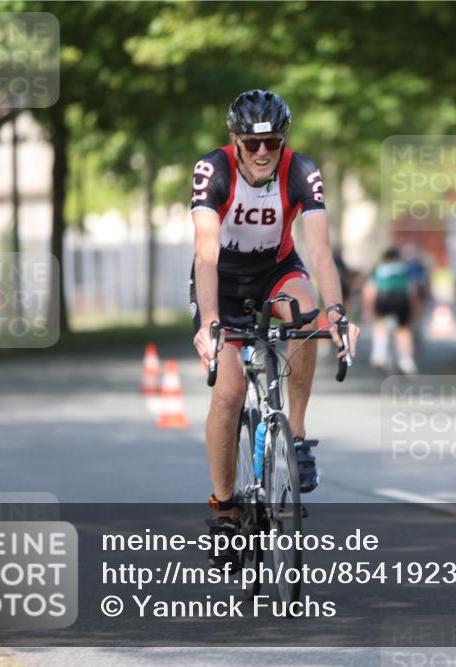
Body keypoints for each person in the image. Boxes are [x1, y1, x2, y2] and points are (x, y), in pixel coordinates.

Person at [189, 90, 360, 566]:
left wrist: (339, 314)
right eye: (252, 143)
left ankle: (298, 438)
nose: (263, 152)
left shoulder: (303, 172)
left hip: (276, 271)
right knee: (227, 393)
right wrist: (209, 322)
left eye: (274, 142)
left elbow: (321, 251)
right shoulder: (213, 171)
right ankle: (225, 512)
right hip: (221, 282)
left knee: (307, 314)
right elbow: (205, 251)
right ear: (235, 141)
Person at [364, 247, 420, 374]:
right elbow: (413, 291)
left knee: (380, 323)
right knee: (403, 329)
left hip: (383, 296)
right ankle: (406, 360)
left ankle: (379, 353)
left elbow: (369, 291)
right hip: (401, 298)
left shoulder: (378, 269)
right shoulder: (405, 269)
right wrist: (415, 309)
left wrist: (368, 309)